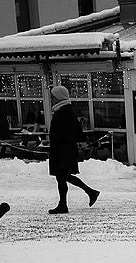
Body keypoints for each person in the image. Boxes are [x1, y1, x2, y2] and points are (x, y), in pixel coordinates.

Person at [47, 85, 99, 214]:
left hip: (62, 150)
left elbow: (64, 133)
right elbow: (77, 132)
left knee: (62, 176)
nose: (52, 99)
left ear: (59, 97)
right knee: (62, 177)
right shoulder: (66, 110)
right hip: (65, 149)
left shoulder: (63, 112)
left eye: (53, 97)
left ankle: (87, 193)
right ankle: (68, 202)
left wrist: (55, 139)